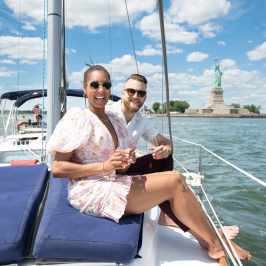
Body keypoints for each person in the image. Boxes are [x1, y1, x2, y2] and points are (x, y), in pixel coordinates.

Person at [47, 65, 251, 261]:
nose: (101, 90)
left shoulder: (112, 119)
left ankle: (207, 239)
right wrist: (104, 166)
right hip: (90, 188)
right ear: (85, 89)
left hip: (112, 179)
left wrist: (126, 160)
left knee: (172, 177)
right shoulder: (78, 117)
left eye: (106, 85)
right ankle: (215, 244)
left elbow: (122, 163)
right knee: (175, 181)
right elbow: (57, 168)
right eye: (95, 85)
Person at [106, 73, 241, 239]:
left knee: (166, 158)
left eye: (141, 93)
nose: (136, 96)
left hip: (126, 168)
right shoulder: (107, 113)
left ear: (145, 96)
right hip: (107, 172)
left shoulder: (141, 119)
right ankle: (179, 219)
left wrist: (166, 148)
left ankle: (169, 213)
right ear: (122, 91)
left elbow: (163, 141)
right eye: (131, 91)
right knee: (174, 181)